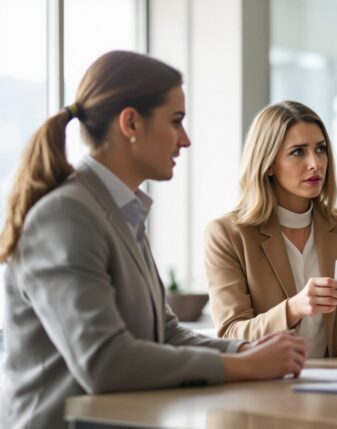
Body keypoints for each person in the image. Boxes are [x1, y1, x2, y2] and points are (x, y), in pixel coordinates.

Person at [0, 51, 307, 429]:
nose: (186, 140)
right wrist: (240, 365)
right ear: (130, 122)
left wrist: (246, 348)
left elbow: (168, 334)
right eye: (176, 121)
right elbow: (105, 362)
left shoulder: (121, 212)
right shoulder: (66, 216)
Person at [204, 101, 337, 358]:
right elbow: (231, 333)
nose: (315, 163)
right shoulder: (227, 234)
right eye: (298, 152)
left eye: (320, 149)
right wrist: (294, 308)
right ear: (268, 164)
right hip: (267, 388)